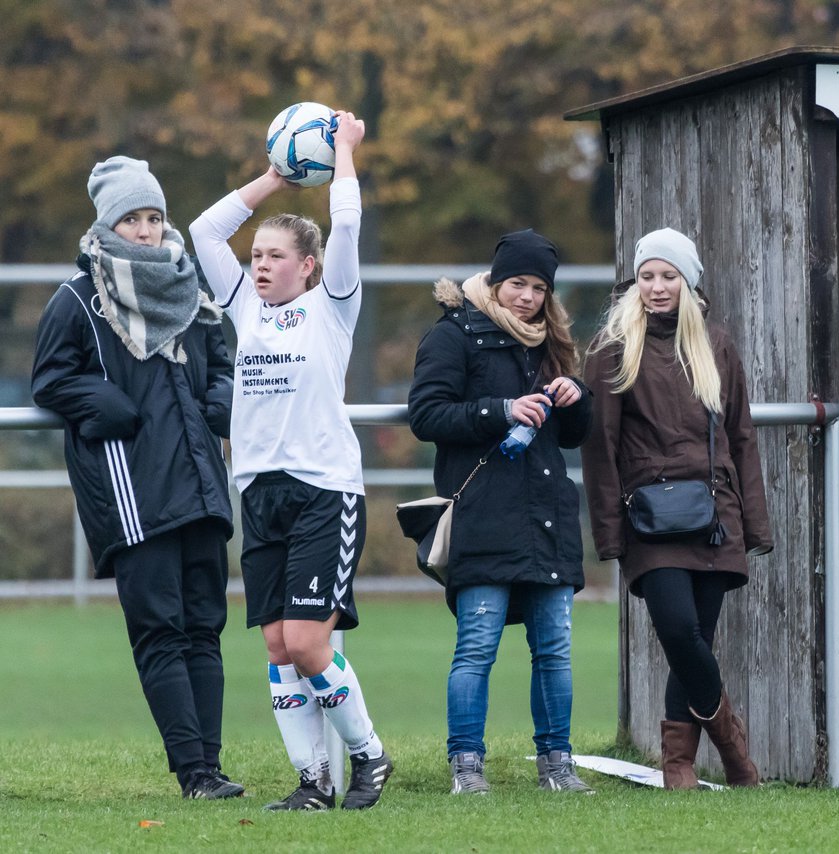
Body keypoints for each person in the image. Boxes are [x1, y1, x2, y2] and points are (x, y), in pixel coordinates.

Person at [188, 111, 392, 811]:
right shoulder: (245, 309)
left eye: (276, 256)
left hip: (323, 492)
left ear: (308, 266)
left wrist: (341, 155)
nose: (261, 265)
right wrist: (275, 175)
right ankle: (313, 782)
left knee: (308, 643)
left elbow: (349, 226)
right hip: (261, 491)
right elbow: (204, 233)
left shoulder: (331, 307)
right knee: (277, 646)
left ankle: (368, 756)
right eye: (258, 256)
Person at [31, 156, 242, 800]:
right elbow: (51, 377)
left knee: (206, 626)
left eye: (154, 217)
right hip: (132, 488)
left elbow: (226, 357)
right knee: (161, 629)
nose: (147, 230)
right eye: (132, 219)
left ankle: (212, 767)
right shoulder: (77, 298)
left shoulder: (189, 287)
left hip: (201, 483)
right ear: (108, 224)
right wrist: (106, 405)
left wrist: (219, 400)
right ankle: (193, 773)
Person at [580, 227, 772, 789]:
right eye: (647, 276)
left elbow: (742, 438)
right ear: (634, 282)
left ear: (688, 283)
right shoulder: (612, 350)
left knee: (695, 646)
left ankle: (679, 766)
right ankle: (735, 752)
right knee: (681, 632)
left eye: (668, 277)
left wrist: (754, 523)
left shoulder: (717, 345)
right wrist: (610, 534)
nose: (657, 287)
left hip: (715, 517)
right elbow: (600, 450)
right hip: (650, 520)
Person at [407, 229, 596, 795]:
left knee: (555, 651)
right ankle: (467, 766)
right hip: (482, 515)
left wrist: (575, 396)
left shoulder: (552, 343)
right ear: (495, 281)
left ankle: (557, 766)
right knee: (477, 646)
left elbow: (571, 438)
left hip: (547, 517)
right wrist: (500, 408)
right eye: (518, 283)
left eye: (539, 287)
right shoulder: (453, 334)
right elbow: (427, 416)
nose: (528, 297)